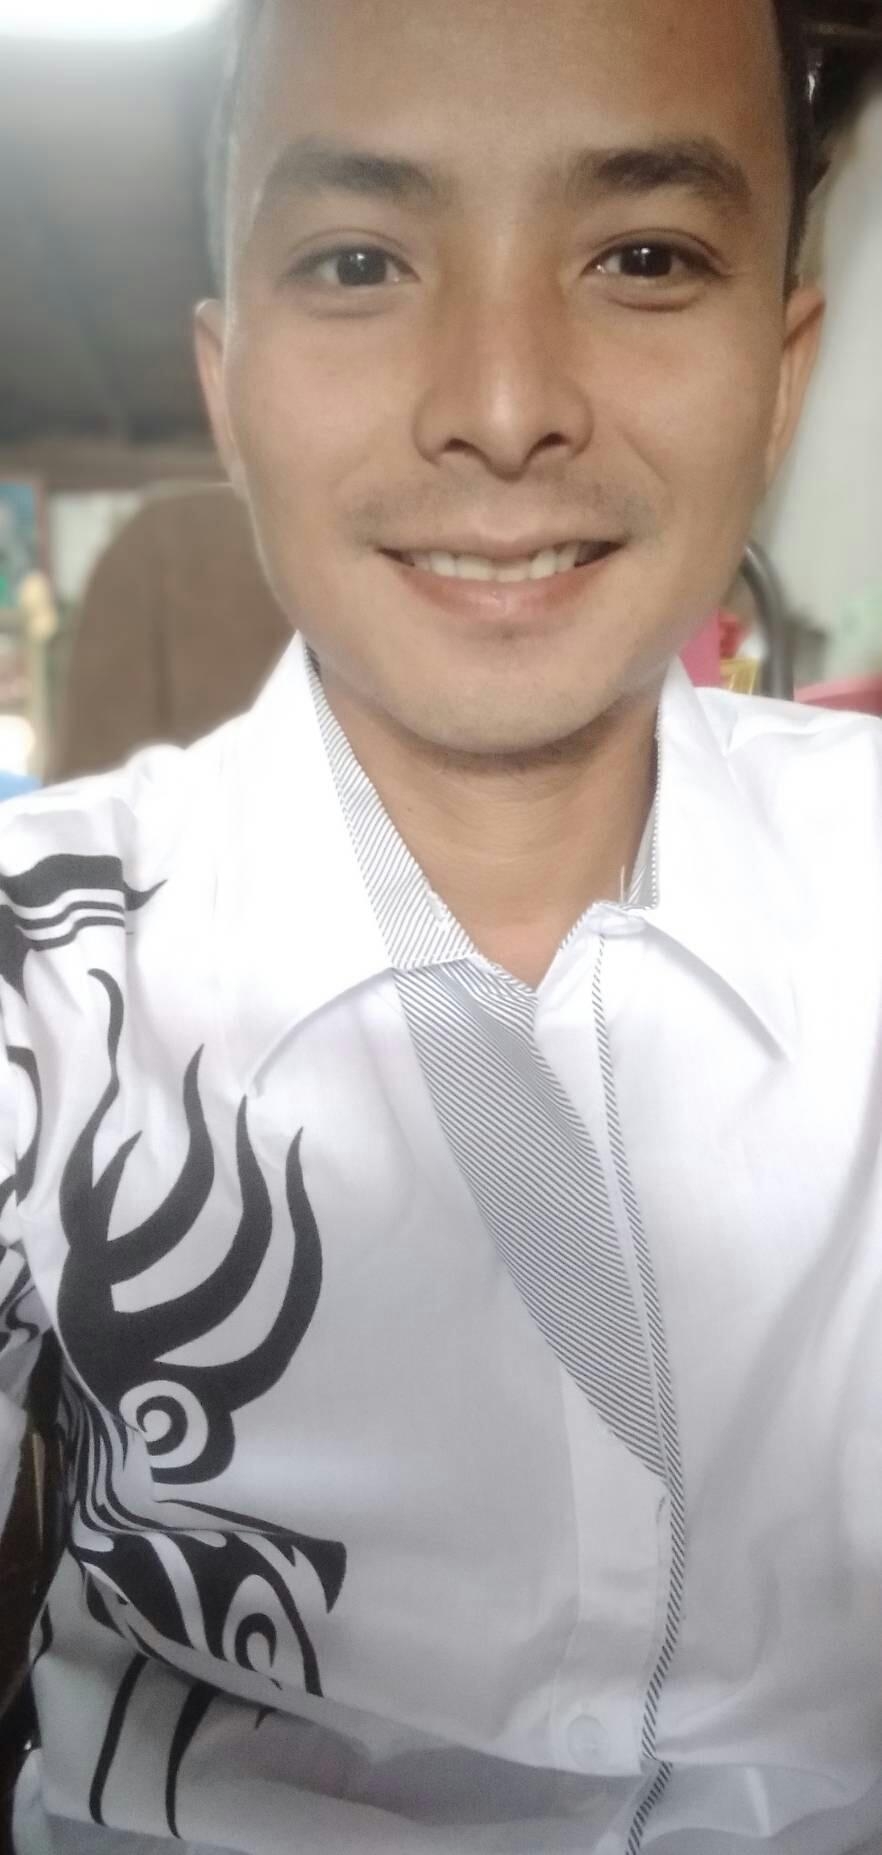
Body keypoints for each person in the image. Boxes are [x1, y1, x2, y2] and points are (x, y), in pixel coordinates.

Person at [1, 1, 879, 1851]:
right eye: (357, 261)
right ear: (228, 381)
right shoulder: (51, 976)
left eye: (642, 258)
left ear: (779, 369)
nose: (499, 402)